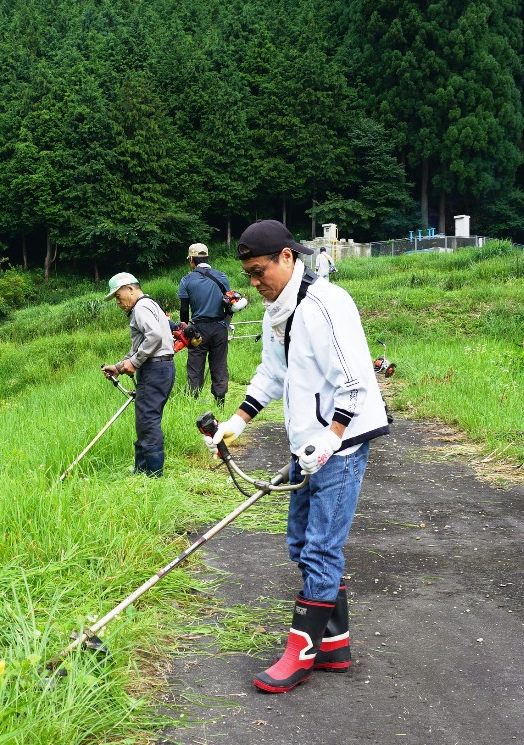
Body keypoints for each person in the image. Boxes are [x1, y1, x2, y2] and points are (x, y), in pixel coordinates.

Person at [209, 219, 390, 693]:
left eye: (257, 270)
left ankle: (302, 652)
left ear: (287, 257)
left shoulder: (326, 304)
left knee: (321, 547)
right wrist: (237, 421)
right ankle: (334, 645)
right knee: (299, 541)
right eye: (247, 273)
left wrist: (331, 439)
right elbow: (273, 373)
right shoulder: (278, 310)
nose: (252, 282)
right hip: (309, 443)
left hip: (341, 443)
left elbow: (355, 382)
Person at [102, 272, 175, 478]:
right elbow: (142, 344)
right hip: (159, 368)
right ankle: (141, 469)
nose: (117, 302)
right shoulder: (149, 304)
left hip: (155, 369)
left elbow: (154, 336)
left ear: (131, 289)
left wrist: (134, 362)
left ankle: (153, 474)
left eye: (118, 296)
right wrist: (118, 366)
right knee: (145, 418)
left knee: (148, 419)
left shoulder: (141, 307)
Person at [177, 243, 231, 406]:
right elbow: (229, 304)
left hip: (198, 330)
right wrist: (226, 325)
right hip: (219, 328)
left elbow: (184, 311)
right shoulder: (222, 277)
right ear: (207, 258)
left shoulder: (186, 280)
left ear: (192, 259)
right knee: (219, 366)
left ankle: (192, 404)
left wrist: (185, 329)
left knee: (195, 368)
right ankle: (220, 404)